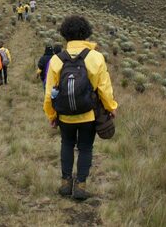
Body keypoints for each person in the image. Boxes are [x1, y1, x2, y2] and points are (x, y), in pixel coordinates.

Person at [43, 15, 118, 201]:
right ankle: (81, 186)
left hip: (65, 116)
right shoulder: (96, 57)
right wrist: (111, 107)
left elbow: (49, 94)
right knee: (85, 148)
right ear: (86, 34)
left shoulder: (56, 60)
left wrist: (52, 115)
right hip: (88, 115)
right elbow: (104, 88)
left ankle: (65, 183)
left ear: (65, 34)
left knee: (66, 144)